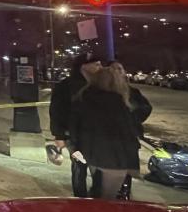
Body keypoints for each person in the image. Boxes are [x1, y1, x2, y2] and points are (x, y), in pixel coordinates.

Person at [69, 66, 141, 199]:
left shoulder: (83, 98)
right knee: (107, 197)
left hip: (91, 154)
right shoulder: (120, 103)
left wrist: (77, 151)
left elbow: (74, 129)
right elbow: (128, 135)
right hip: (115, 159)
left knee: (98, 190)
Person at [49, 52, 103, 196]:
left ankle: (97, 197)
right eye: (96, 64)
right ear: (84, 66)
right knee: (80, 165)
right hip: (73, 137)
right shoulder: (66, 86)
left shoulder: (101, 85)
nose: (101, 67)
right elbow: (56, 110)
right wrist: (59, 135)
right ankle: (80, 197)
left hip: (96, 137)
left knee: (98, 168)